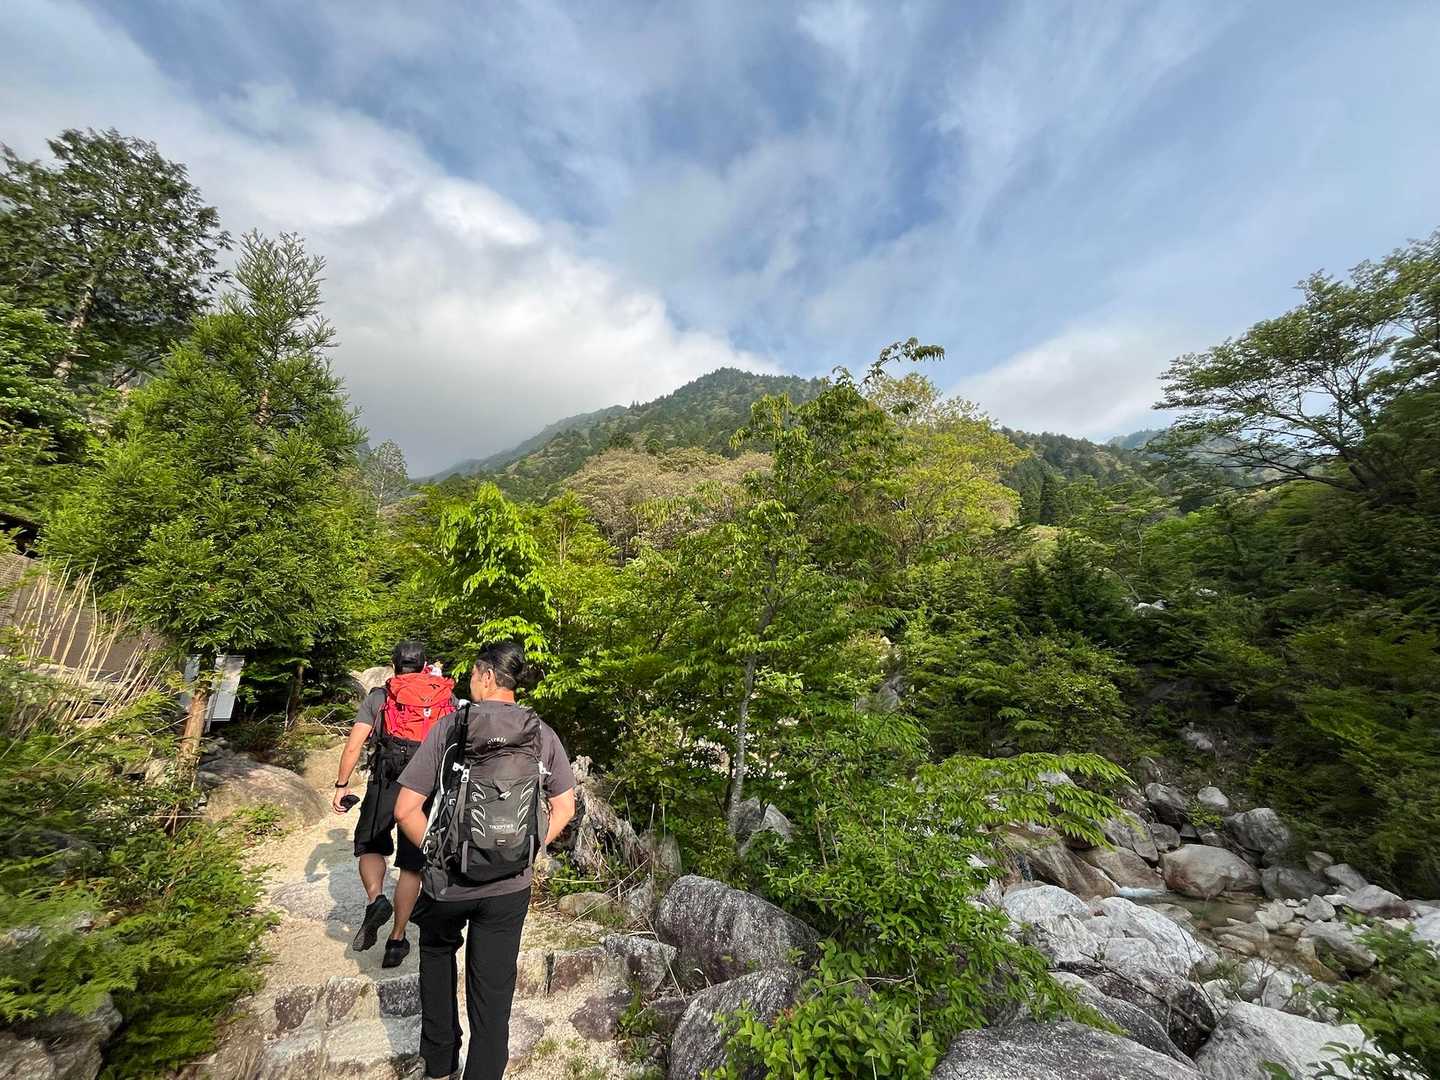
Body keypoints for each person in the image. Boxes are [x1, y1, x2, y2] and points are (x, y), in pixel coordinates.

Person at [395, 642, 576, 1080]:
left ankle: (440, 1063)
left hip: (448, 885)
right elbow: (565, 807)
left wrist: (440, 854)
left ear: (488, 675)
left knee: (437, 953)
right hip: (509, 886)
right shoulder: (540, 733)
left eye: (474, 673)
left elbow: (405, 810)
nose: (470, 681)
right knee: (494, 993)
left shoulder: (451, 727)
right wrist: (527, 851)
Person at [334, 640, 456, 968]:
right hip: (425, 786)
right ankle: (396, 940)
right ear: (425, 665)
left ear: (393, 664)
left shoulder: (380, 696)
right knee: (412, 865)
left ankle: (376, 899)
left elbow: (353, 745)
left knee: (370, 845)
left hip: (385, 780)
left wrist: (342, 786)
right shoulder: (445, 697)